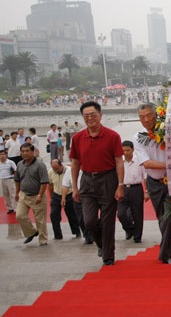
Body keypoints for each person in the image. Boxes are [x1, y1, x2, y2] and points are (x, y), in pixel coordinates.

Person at [70, 101, 124, 266]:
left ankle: (108, 256)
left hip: (108, 179)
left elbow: (119, 162)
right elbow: (74, 163)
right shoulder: (78, 138)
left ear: (100, 115)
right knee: (89, 221)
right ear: (82, 118)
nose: (90, 118)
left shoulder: (112, 136)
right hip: (87, 181)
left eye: (93, 115)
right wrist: (74, 187)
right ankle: (101, 244)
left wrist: (120, 185)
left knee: (108, 222)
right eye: (86, 116)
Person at [133, 103, 171, 264]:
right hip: (153, 182)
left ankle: (164, 254)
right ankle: (169, 249)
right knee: (161, 218)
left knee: (168, 217)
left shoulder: (170, 131)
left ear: (156, 115)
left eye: (148, 115)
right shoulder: (139, 137)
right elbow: (146, 163)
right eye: (141, 117)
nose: (145, 120)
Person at [14, 143, 50, 245]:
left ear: (32, 152)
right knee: (19, 215)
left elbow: (44, 182)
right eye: (22, 151)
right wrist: (17, 193)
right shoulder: (20, 164)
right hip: (24, 194)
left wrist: (39, 195)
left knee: (40, 220)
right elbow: (17, 180)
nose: (24, 153)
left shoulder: (40, 165)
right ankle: (32, 232)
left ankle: (43, 240)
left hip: (37, 195)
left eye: (27, 151)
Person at [118, 140, 149, 243]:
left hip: (136, 188)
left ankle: (137, 236)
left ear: (133, 150)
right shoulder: (119, 162)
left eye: (128, 150)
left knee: (137, 214)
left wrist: (146, 191)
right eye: (123, 150)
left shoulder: (139, 161)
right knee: (121, 214)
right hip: (123, 188)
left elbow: (145, 177)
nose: (125, 152)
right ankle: (129, 229)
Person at [48, 159, 81, 240]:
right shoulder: (50, 172)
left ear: (61, 165)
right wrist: (51, 197)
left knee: (71, 215)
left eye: (57, 169)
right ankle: (57, 235)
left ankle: (76, 232)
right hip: (56, 195)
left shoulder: (69, 171)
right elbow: (50, 185)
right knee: (53, 215)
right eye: (54, 169)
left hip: (68, 195)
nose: (56, 171)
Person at [61, 167, 92, 244]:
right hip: (77, 196)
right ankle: (87, 236)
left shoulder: (90, 167)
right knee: (81, 217)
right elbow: (65, 185)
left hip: (90, 196)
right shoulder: (70, 171)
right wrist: (63, 198)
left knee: (90, 217)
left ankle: (94, 233)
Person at [0, 149, 17, 214]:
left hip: (10, 179)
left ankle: (15, 208)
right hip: (2, 179)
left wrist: (15, 179)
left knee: (13, 194)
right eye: (1, 154)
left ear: (6, 155)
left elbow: (15, 170)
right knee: (5, 195)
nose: (2, 156)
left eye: (3, 154)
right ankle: (10, 208)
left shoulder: (10, 162)